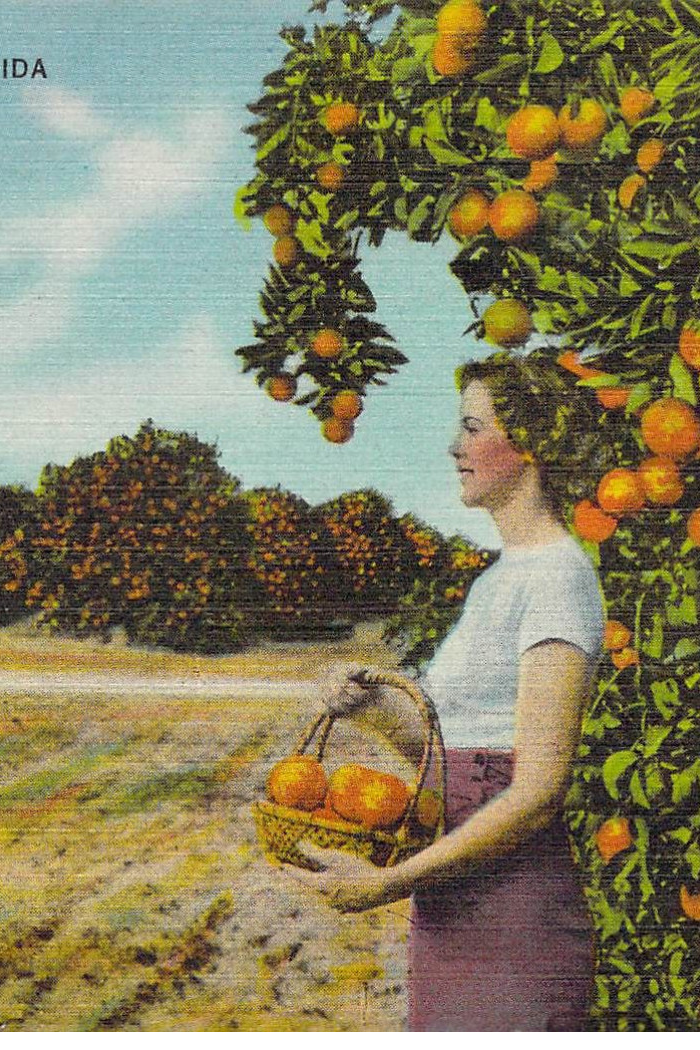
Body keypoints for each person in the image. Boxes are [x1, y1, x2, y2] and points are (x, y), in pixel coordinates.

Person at [285, 350, 611, 1031]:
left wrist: (384, 883)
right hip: (450, 901)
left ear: (530, 444)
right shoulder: (499, 579)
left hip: (513, 916)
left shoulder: (556, 576)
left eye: (471, 427)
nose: (453, 447)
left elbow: (536, 792)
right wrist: (365, 704)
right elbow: (445, 747)